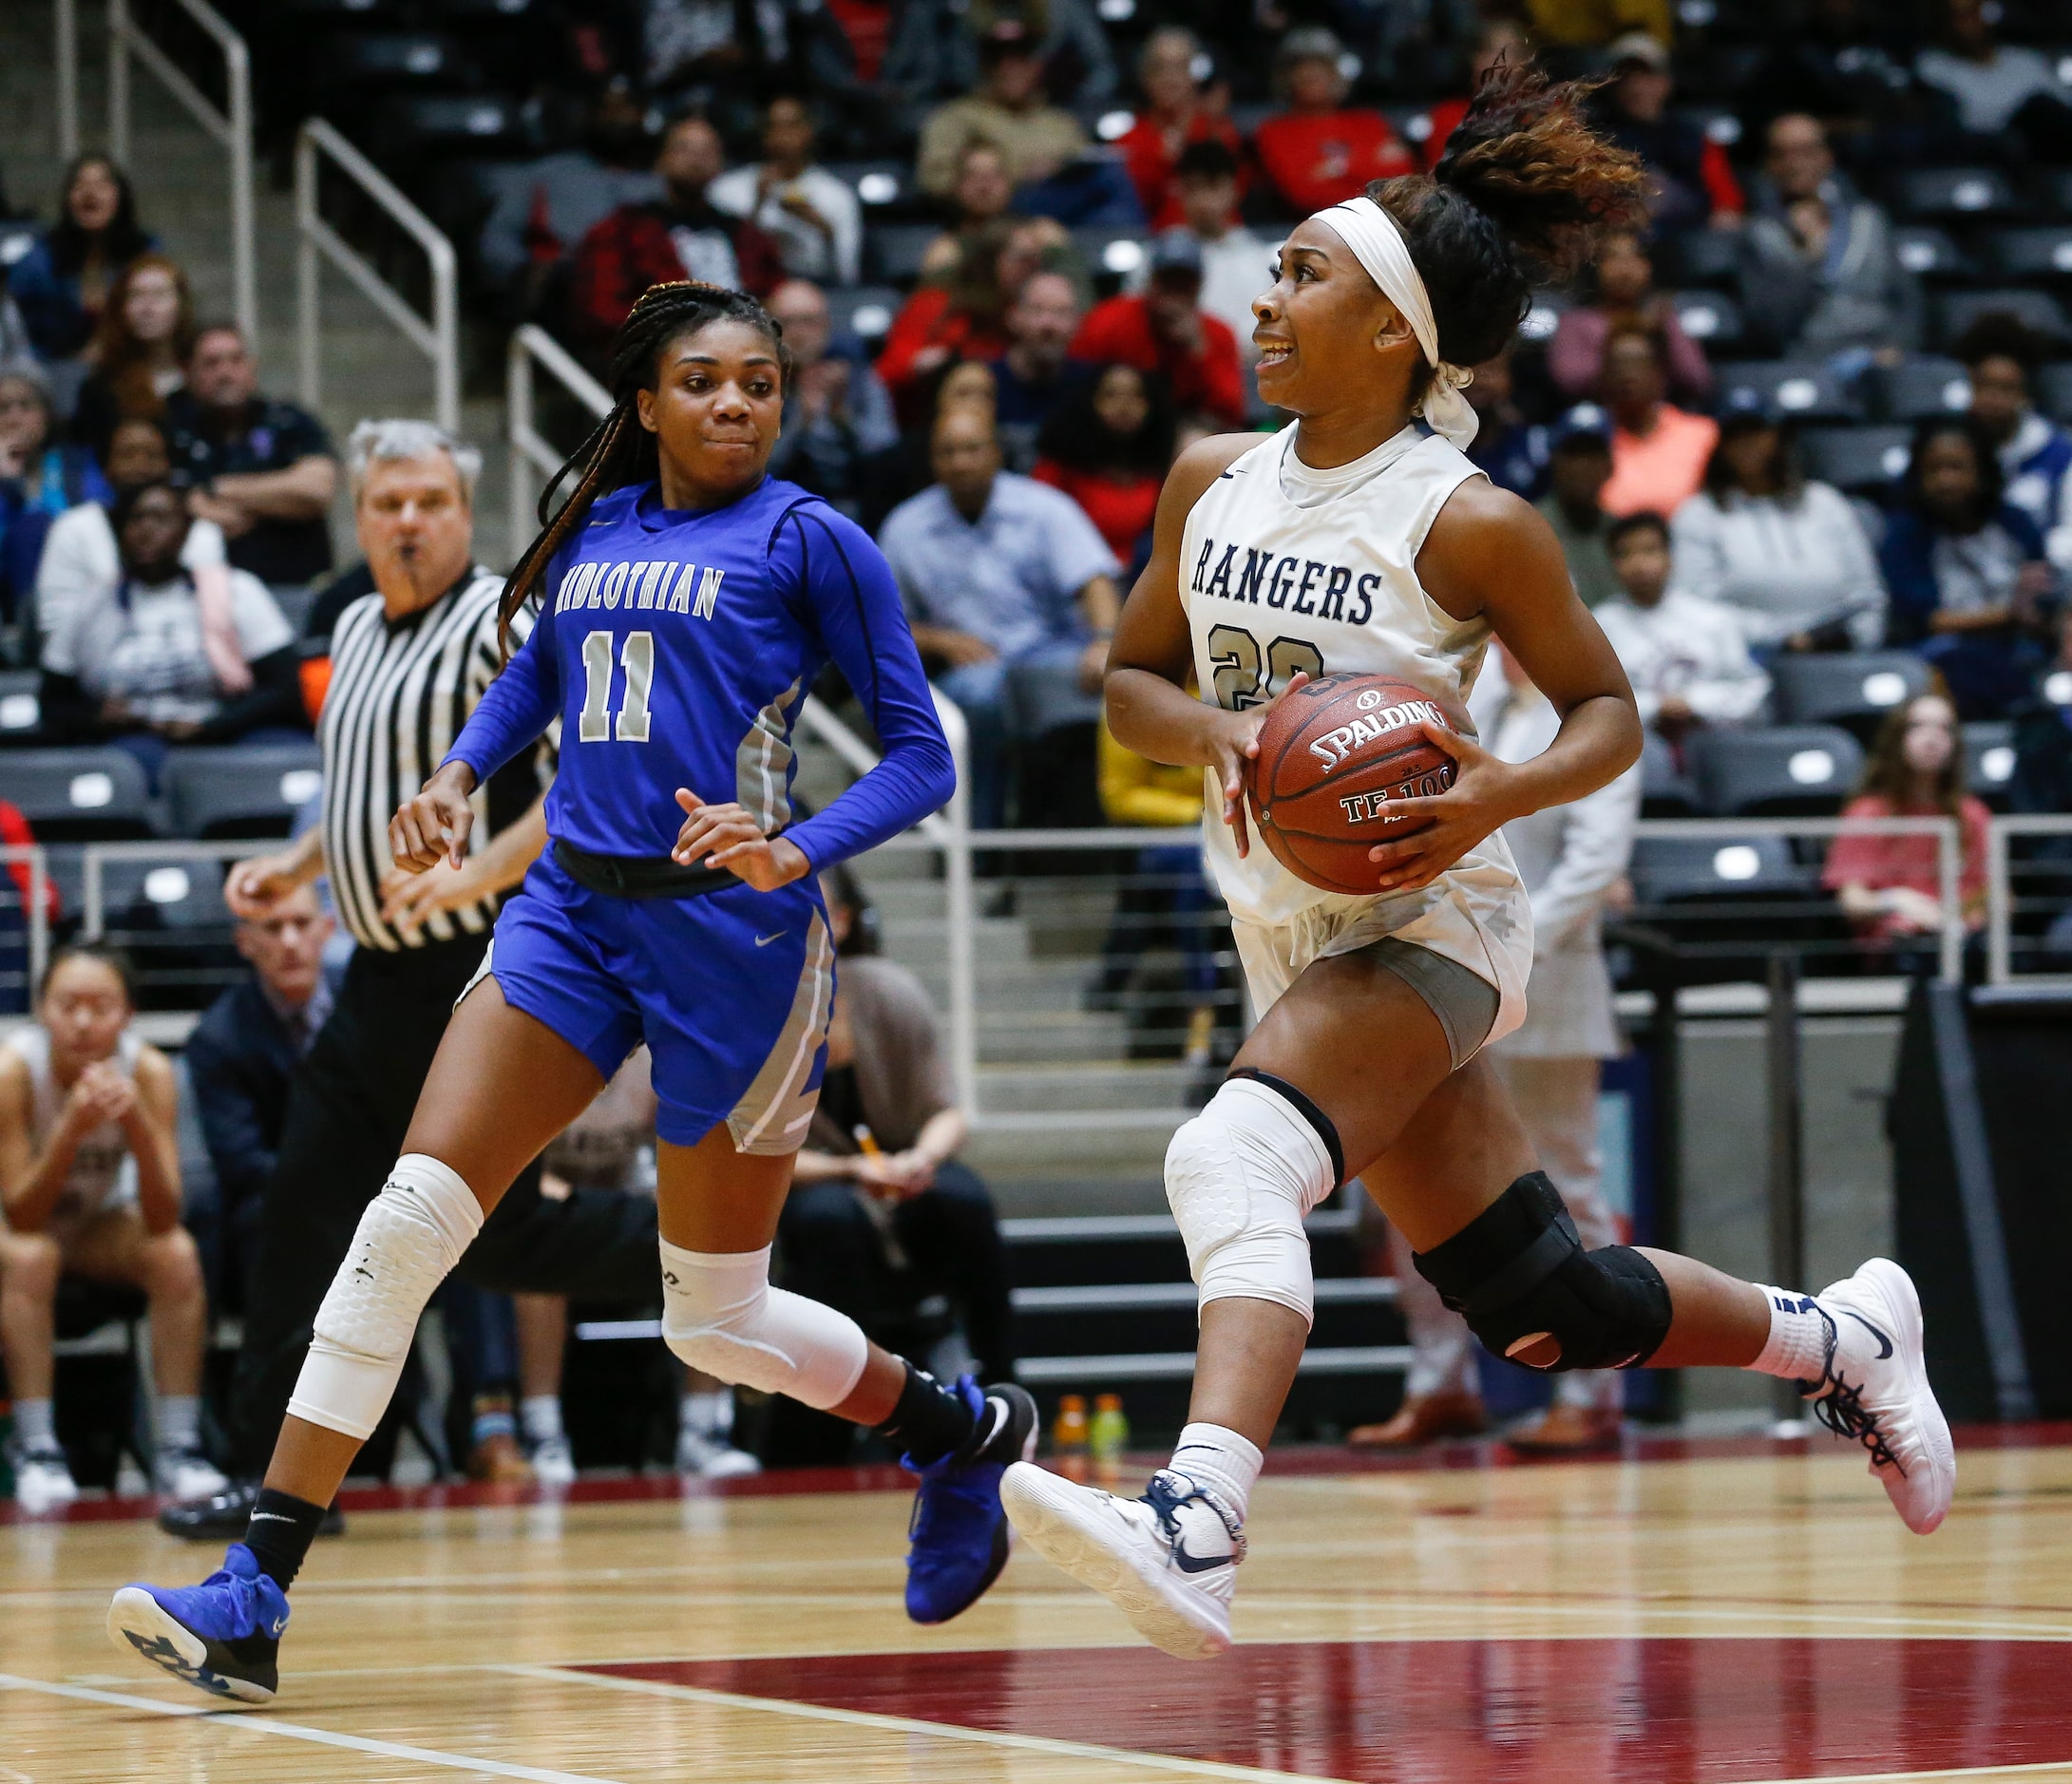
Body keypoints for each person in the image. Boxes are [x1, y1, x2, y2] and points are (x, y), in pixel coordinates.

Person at [998, 60, 1952, 1664]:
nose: (1267, 293)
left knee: (1227, 1160)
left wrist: (1497, 791)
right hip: (1291, 924)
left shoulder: (1469, 520)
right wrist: (1223, 737)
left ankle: (1200, 1515)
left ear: (1393, 329)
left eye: (1304, 269)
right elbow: (1130, 684)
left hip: (1430, 911)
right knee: (1541, 1300)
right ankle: (1843, 1332)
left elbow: (1608, 711)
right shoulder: (1200, 479)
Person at [113, 285, 1036, 1704]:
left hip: (737, 939)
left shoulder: (813, 540)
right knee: (408, 1215)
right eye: (704, 381)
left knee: (710, 1321)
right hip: (570, 915)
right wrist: (456, 774)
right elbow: (534, 677)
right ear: (648, 403)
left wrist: (798, 843)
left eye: (761, 383)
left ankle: (957, 1427)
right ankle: (256, 1585)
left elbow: (923, 757)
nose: (736, 403)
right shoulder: (593, 530)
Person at [141, 420, 663, 1550]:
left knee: (506, 1240)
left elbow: (582, 774)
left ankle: (698, 1249)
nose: (409, 521)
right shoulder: (350, 627)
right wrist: (295, 863)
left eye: (431, 501)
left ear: (464, 514)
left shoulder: (501, 618)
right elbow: (358, 790)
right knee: (299, 1214)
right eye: (389, 504)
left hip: (473, 976)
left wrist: (481, 868)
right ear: (364, 516)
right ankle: (270, 1483)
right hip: (376, 982)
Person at [1354, 645, 1642, 1452]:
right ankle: (1438, 1386)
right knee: (1412, 1191)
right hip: (1434, 980)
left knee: (1571, 1189)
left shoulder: (1587, 721)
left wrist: (1505, 946)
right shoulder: (1440, 706)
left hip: (1545, 987)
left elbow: (1595, 863)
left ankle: (1593, 1389)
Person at [770, 868, 1015, 1465]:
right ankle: (834, 1420)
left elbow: (947, 1112)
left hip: (902, 1168)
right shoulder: (750, 1008)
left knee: (965, 1202)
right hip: (805, 1186)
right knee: (830, 1222)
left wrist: (920, 1160)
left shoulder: (889, 990)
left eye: (818, 907)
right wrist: (853, 1173)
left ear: (846, 921)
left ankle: (1003, 1392)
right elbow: (749, 1152)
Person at [0, 945, 226, 1510]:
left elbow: (163, 1215)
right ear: (42, 1011)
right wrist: (70, 1132)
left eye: (100, 1006)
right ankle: (37, 1449)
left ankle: (179, 1448)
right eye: (66, 1005)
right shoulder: (15, 1073)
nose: (82, 1022)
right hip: (22, 1232)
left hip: (98, 1227)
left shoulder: (148, 1070)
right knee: (31, 1255)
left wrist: (138, 1126)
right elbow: (21, 1213)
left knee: (176, 1254)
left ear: (127, 1015)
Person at [513, 1048, 761, 1484]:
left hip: (624, 1207)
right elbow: (516, 1163)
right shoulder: (536, 1047)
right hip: (549, 1209)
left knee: (711, 1245)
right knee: (535, 1259)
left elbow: (685, 1147)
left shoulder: (658, 1053)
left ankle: (703, 1431)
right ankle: (542, 1434)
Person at [879, 402, 1121, 831]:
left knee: (1113, 689)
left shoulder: (1045, 508)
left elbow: (1095, 582)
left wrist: (1104, 640)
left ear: (996, 452)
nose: (961, 462)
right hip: (969, 666)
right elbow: (882, 627)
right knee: (979, 697)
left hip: (1051, 655)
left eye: (972, 449)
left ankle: (1094, 841)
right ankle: (977, 840)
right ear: (932, 460)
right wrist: (941, 641)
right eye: (948, 452)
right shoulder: (906, 526)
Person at [38, 480, 303, 766]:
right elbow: (53, 703)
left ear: (185, 531)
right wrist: (96, 718)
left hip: (226, 729)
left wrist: (211, 727)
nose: (146, 530)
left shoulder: (235, 588)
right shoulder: (90, 604)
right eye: (135, 519)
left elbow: (285, 687)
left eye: (160, 518)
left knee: (280, 755)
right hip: (132, 742)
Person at [183, 884, 337, 1321]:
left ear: (327, 929)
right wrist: (333, 1189)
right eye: (273, 928)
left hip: (371, 1188)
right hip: (278, 1198)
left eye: (301, 924)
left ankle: (473, 1385)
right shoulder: (217, 1037)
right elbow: (241, 1162)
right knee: (264, 1218)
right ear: (245, 942)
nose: (290, 941)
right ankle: (276, 1383)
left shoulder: (368, 1005)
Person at [1669, 393, 1886, 654]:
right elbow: (1693, 605)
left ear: (1778, 437)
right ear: (1720, 445)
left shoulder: (1825, 501)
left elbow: (1867, 594)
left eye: (1757, 432)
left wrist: (1852, 640)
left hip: (1837, 647)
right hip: (1747, 655)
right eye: (1735, 435)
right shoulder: (1699, 513)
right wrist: (1778, 637)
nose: (1747, 443)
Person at [1880, 416, 2055, 721]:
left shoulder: (2015, 523)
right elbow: (1931, 621)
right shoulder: (1905, 535)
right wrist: (2009, 615)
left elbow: (2041, 596)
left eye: (1956, 468)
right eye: (1934, 470)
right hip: (1945, 659)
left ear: (1983, 472)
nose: (1946, 481)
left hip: (2022, 652)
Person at [571, 115, 786, 348]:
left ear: (721, 164)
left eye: (707, 151)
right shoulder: (625, 228)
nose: (697, 158)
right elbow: (602, 309)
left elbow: (774, 289)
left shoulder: (743, 233)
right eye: (684, 148)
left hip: (744, 339)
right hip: (667, 345)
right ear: (661, 160)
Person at [33, 415, 226, 664]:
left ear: (168, 465)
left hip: (187, 662)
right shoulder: (73, 528)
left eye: (151, 455)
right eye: (127, 454)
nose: (140, 465)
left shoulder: (201, 533)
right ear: (106, 467)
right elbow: (56, 625)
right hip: (93, 671)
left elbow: (214, 616)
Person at [164, 326, 338, 590]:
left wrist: (218, 489)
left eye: (236, 360)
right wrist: (276, 496)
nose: (225, 373)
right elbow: (174, 505)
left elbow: (316, 489)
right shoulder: (172, 430)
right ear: (189, 372)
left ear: (251, 367)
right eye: (211, 363)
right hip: (199, 594)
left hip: (294, 587)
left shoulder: (289, 420)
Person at [1736, 113, 1918, 365]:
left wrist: (1898, 348)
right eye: (1781, 154)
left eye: (1805, 152)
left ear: (1826, 157)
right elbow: (1772, 328)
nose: (1794, 164)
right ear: (1769, 165)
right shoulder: (1759, 235)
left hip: (1882, 353)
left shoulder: (1869, 219)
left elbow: (1908, 300)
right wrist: (1809, 258)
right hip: (1813, 363)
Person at [476, 82, 663, 315]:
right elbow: (498, 237)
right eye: (607, 108)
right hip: (563, 293)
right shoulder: (547, 173)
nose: (618, 118)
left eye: (627, 109)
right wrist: (524, 270)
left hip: (645, 300)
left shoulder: (661, 184)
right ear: (590, 115)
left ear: (643, 115)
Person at [1823, 691, 1990, 947]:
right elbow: (1852, 900)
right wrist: (1898, 900)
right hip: (1896, 950)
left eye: (1944, 728)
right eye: (1917, 726)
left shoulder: (1972, 814)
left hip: (1962, 944)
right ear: (1896, 738)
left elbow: (1994, 894)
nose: (1932, 738)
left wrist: (1963, 917)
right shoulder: (1867, 814)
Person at [1592, 511, 1768, 746]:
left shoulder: (1714, 618)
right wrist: (1656, 706)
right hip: (1639, 744)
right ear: (1613, 564)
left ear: (1670, 556)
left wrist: (1694, 702)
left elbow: (1751, 689)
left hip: (1716, 736)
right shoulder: (1599, 625)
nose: (1639, 564)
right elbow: (1597, 702)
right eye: (1625, 554)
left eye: (1649, 550)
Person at [1071, 232, 1245, 430]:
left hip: (1181, 437)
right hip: (1107, 432)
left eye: (1183, 284)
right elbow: (1074, 390)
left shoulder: (1218, 333)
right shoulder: (1109, 320)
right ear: (1150, 281)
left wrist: (1196, 351)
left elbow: (1230, 415)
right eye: (1167, 281)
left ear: (1198, 287)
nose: (1174, 293)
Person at [763, 277, 898, 520]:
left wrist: (842, 419)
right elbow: (754, 467)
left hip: (855, 505)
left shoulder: (858, 376)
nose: (797, 334)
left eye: (809, 322)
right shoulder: (756, 385)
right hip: (777, 509)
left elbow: (887, 452)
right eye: (786, 323)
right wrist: (800, 422)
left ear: (826, 325)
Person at [1251, 28, 1417, 217]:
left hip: (1376, 224)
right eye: (1300, 66)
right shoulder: (1274, 131)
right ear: (1286, 76)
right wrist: (1369, 162)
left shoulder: (1370, 122)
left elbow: (1402, 178)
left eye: (1321, 65)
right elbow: (1302, 194)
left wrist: (1339, 167)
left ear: (1337, 73)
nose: (1309, 74)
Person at [916, 21, 1091, 200]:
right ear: (984, 66)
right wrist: (1011, 178)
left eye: (1020, 58)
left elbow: (1087, 167)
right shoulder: (956, 118)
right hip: (994, 214)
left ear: (1037, 66)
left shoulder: (1061, 122)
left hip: (1065, 213)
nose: (1009, 68)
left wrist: (1057, 171)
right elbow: (932, 180)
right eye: (998, 59)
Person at [1588, 33, 1742, 237]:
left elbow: (1726, 200)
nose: (1636, 86)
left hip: (1691, 235)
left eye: (1646, 75)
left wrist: (1724, 214)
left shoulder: (1694, 136)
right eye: (1625, 76)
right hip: (1622, 237)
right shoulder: (1593, 137)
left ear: (1666, 82)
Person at [7, 155, 153, 363]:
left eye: (101, 185)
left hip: (131, 367)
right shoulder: (39, 260)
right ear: (67, 199)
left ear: (120, 196)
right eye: (80, 185)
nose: (90, 193)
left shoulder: (146, 254)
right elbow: (16, 328)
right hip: (53, 370)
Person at [1955, 313, 2072, 571]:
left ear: (2024, 394)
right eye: (1985, 386)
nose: (1994, 399)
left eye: (2006, 389)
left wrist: (2034, 554)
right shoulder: (1950, 448)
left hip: (2042, 576)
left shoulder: (2061, 455)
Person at [0, 365, 111, 636]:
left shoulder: (76, 465)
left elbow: (98, 524)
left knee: (41, 525)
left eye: (26, 406)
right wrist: (8, 485)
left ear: (46, 415)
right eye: (2, 408)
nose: (14, 418)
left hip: (75, 592)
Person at [709, 95, 864, 288]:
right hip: (747, 294)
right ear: (763, 134)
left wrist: (823, 227)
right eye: (773, 127)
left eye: (792, 126)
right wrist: (758, 204)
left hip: (813, 292)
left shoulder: (837, 195)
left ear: (809, 131)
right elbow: (720, 266)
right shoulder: (728, 189)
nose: (782, 136)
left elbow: (848, 274)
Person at [1548, 230, 1710, 408]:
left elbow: (1697, 380)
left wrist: (1665, 331)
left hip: (1657, 418)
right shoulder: (1576, 322)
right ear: (1597, 268)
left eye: (1635, 257)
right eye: (1614, 258)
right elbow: (1570, 381)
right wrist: (1622, 346)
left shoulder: (1662, 318)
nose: (1626, 269)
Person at [1034, 362, 1173, 565]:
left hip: (1140, 574)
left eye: (1137, 395)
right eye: (1111, 395)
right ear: (1090, 400)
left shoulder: (1161, 466)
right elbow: (1037, 527)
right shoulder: (1060, 465)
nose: (1124, 406)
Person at [875, 218, 1020, 406]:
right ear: (991, 261)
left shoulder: (1037, 312)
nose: (1033, 267)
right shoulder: (934, 304)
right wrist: (917, 363)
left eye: (1038, 259)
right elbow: (884, 373)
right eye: (1023, 258)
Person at [1916, 0, 2072, 165]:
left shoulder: (2024, 60)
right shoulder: (1933, 65)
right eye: (1959, 16)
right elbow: (1964, 122)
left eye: (1973, 13)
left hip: (2049, 149)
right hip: (1989, 156)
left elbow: (2062, 106)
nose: (1969, 23)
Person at [1118, 28, 1245, 231]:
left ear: (1196, 74)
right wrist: (1161, 160)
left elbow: (1232, 193)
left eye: (1180, 67)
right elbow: (1131, 205)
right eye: (1159, 68)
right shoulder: (1128, 140)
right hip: (1157, 244)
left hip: (1219, 241)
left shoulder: (1220, 131)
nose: (1170, 78)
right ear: (1144, 77)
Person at [70, 255, 197, 458]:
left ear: (181, 305)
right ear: (122, 309)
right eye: (136, 296)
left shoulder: (202, 377)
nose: (147, 308)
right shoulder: (101, 388)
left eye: (159, 295)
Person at [1597, 323, 1718, 520]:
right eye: (1616, 365)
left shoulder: (1703, 434)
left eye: (1637, 363)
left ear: (1660, 374)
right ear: (1603, 376)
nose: (1626, 374)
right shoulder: (1591, 441)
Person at [1170, 141, 1271, 368]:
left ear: (1234, 190)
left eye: (1212, 186)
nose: (1203, 200)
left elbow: (1268, 331)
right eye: (1193, 188)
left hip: (1244, 374)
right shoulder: (1158, 256)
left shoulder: (1257, 258)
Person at [991, 268, 1082, 472]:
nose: (1048, 324)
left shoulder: (1092, 390)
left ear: (1077, 322)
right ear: (1013, 317)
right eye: (1037, 310)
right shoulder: (983, 383)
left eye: (1061, 312)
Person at [1535, 406, 1621, 610]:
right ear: (1554, 460)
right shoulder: (1529, 527)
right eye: (1573, 454)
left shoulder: (1620, 532)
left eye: (1593, 455)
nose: (1582, 466)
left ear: (1610, 465)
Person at [1419, 19, 1533, 171]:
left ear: (1526, 62)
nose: (1496, 63)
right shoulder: (1447, 116)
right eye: (1488, 51)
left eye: (1509, 54)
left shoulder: (1550, 115)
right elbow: (1440, 177)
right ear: (1473, 60)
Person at [918, 140, 1017, 283]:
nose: (984, 187)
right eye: (974, 176)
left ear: (1010, 182)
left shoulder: (1042, 237)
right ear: (957, 185)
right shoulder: (944, 255)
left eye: (994, 176)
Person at [1461, 347, 1549, 501]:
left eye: (1491, 369)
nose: (1480, 382)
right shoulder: (1427, 443)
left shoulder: (1534, 445)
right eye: (1469, 372)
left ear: (1510, 379)